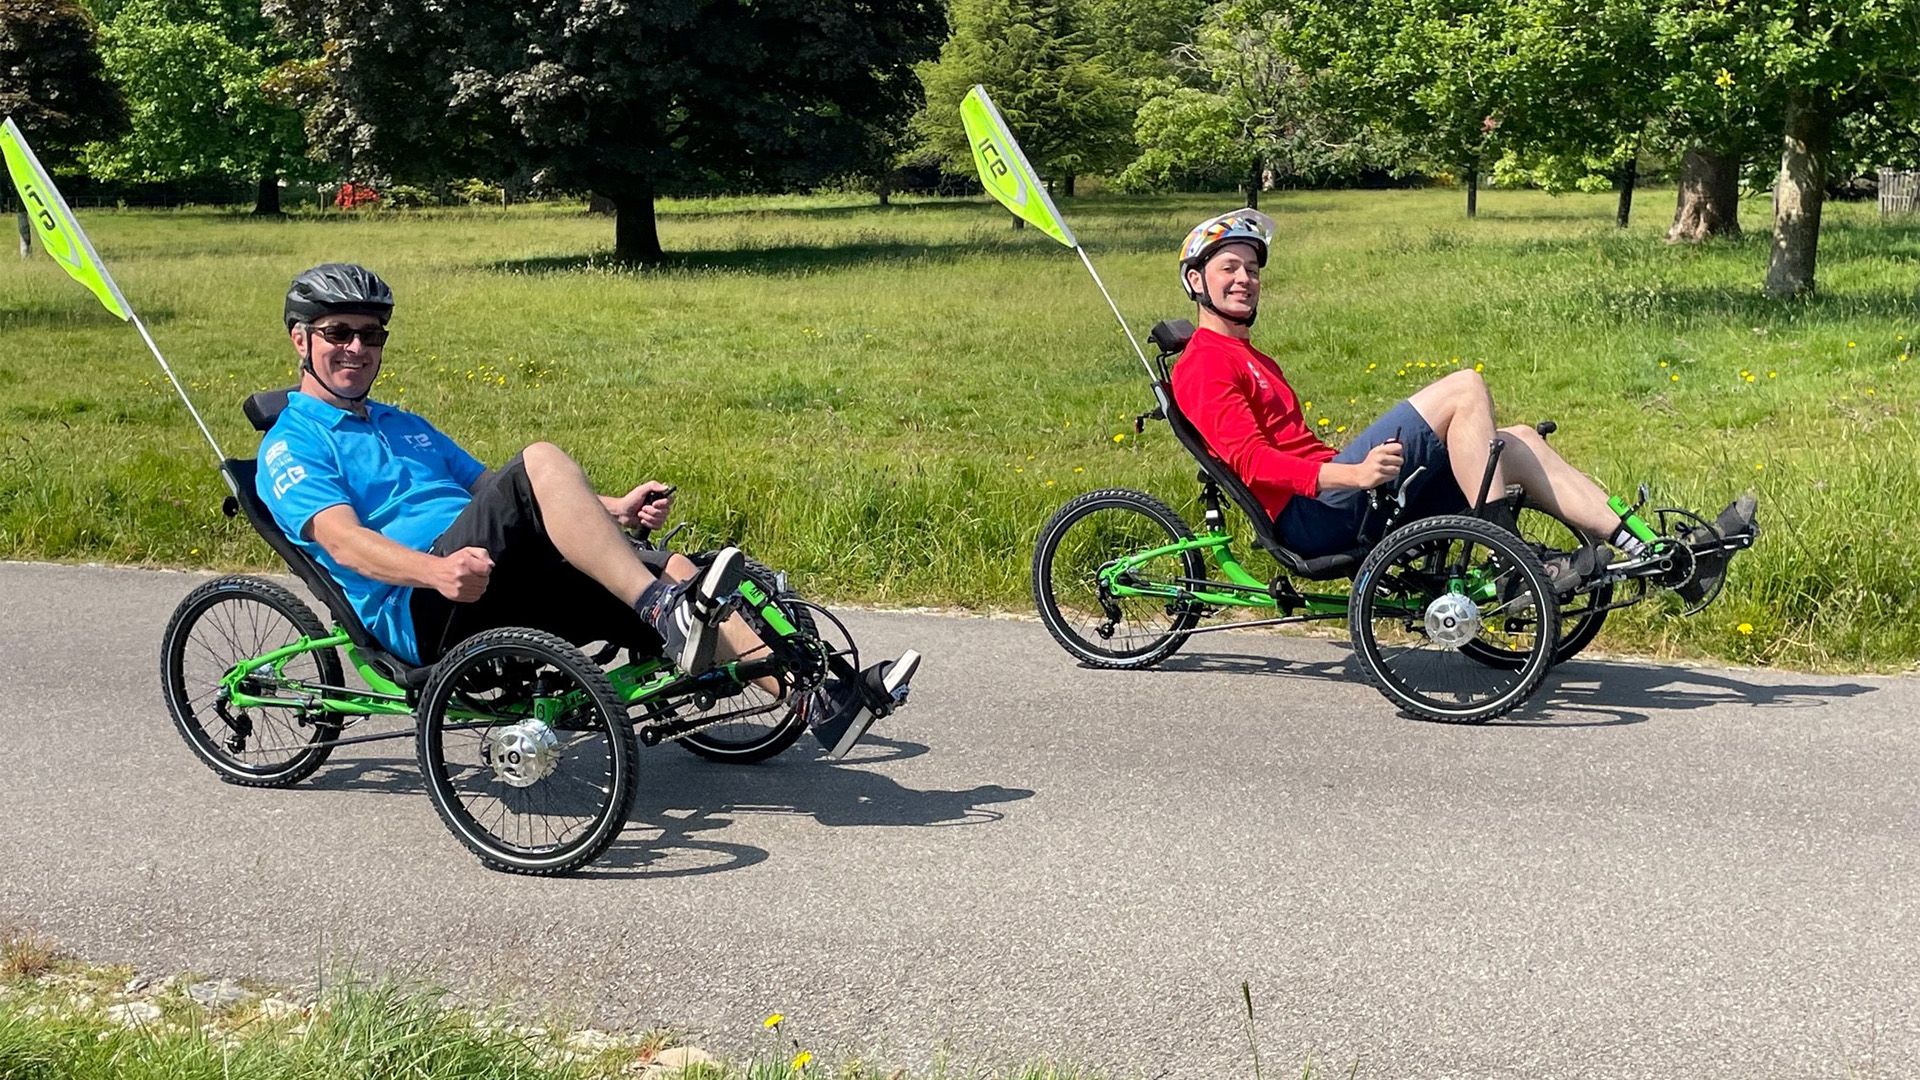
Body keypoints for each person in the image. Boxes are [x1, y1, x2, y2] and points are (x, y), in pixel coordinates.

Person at [256, 263, 914, 757]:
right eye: (337, 333)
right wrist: (435, 574)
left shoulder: (405, 424)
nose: (355, 348)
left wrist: (615, 509)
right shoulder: (294, 443)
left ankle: (821, 699)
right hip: (428, 600)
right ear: (300, 340)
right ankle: (661, 611)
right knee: (543, 460)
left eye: (369, 335)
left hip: (497, 573)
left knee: (683, 569)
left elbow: (502, 488)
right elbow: (343, 543)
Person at [1167, 209, 1755, 597]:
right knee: (1464, 387)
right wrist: (1351, 471)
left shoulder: (1253, 358)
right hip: (1313, 519)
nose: (1245, 278)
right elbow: (1249, 462)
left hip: (1339, 497)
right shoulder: (1203, 362)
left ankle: (1665, 559)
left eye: (1251, 269)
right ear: (1197, 282)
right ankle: (1510, 566)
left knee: (1517, 439)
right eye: (1228, 268)